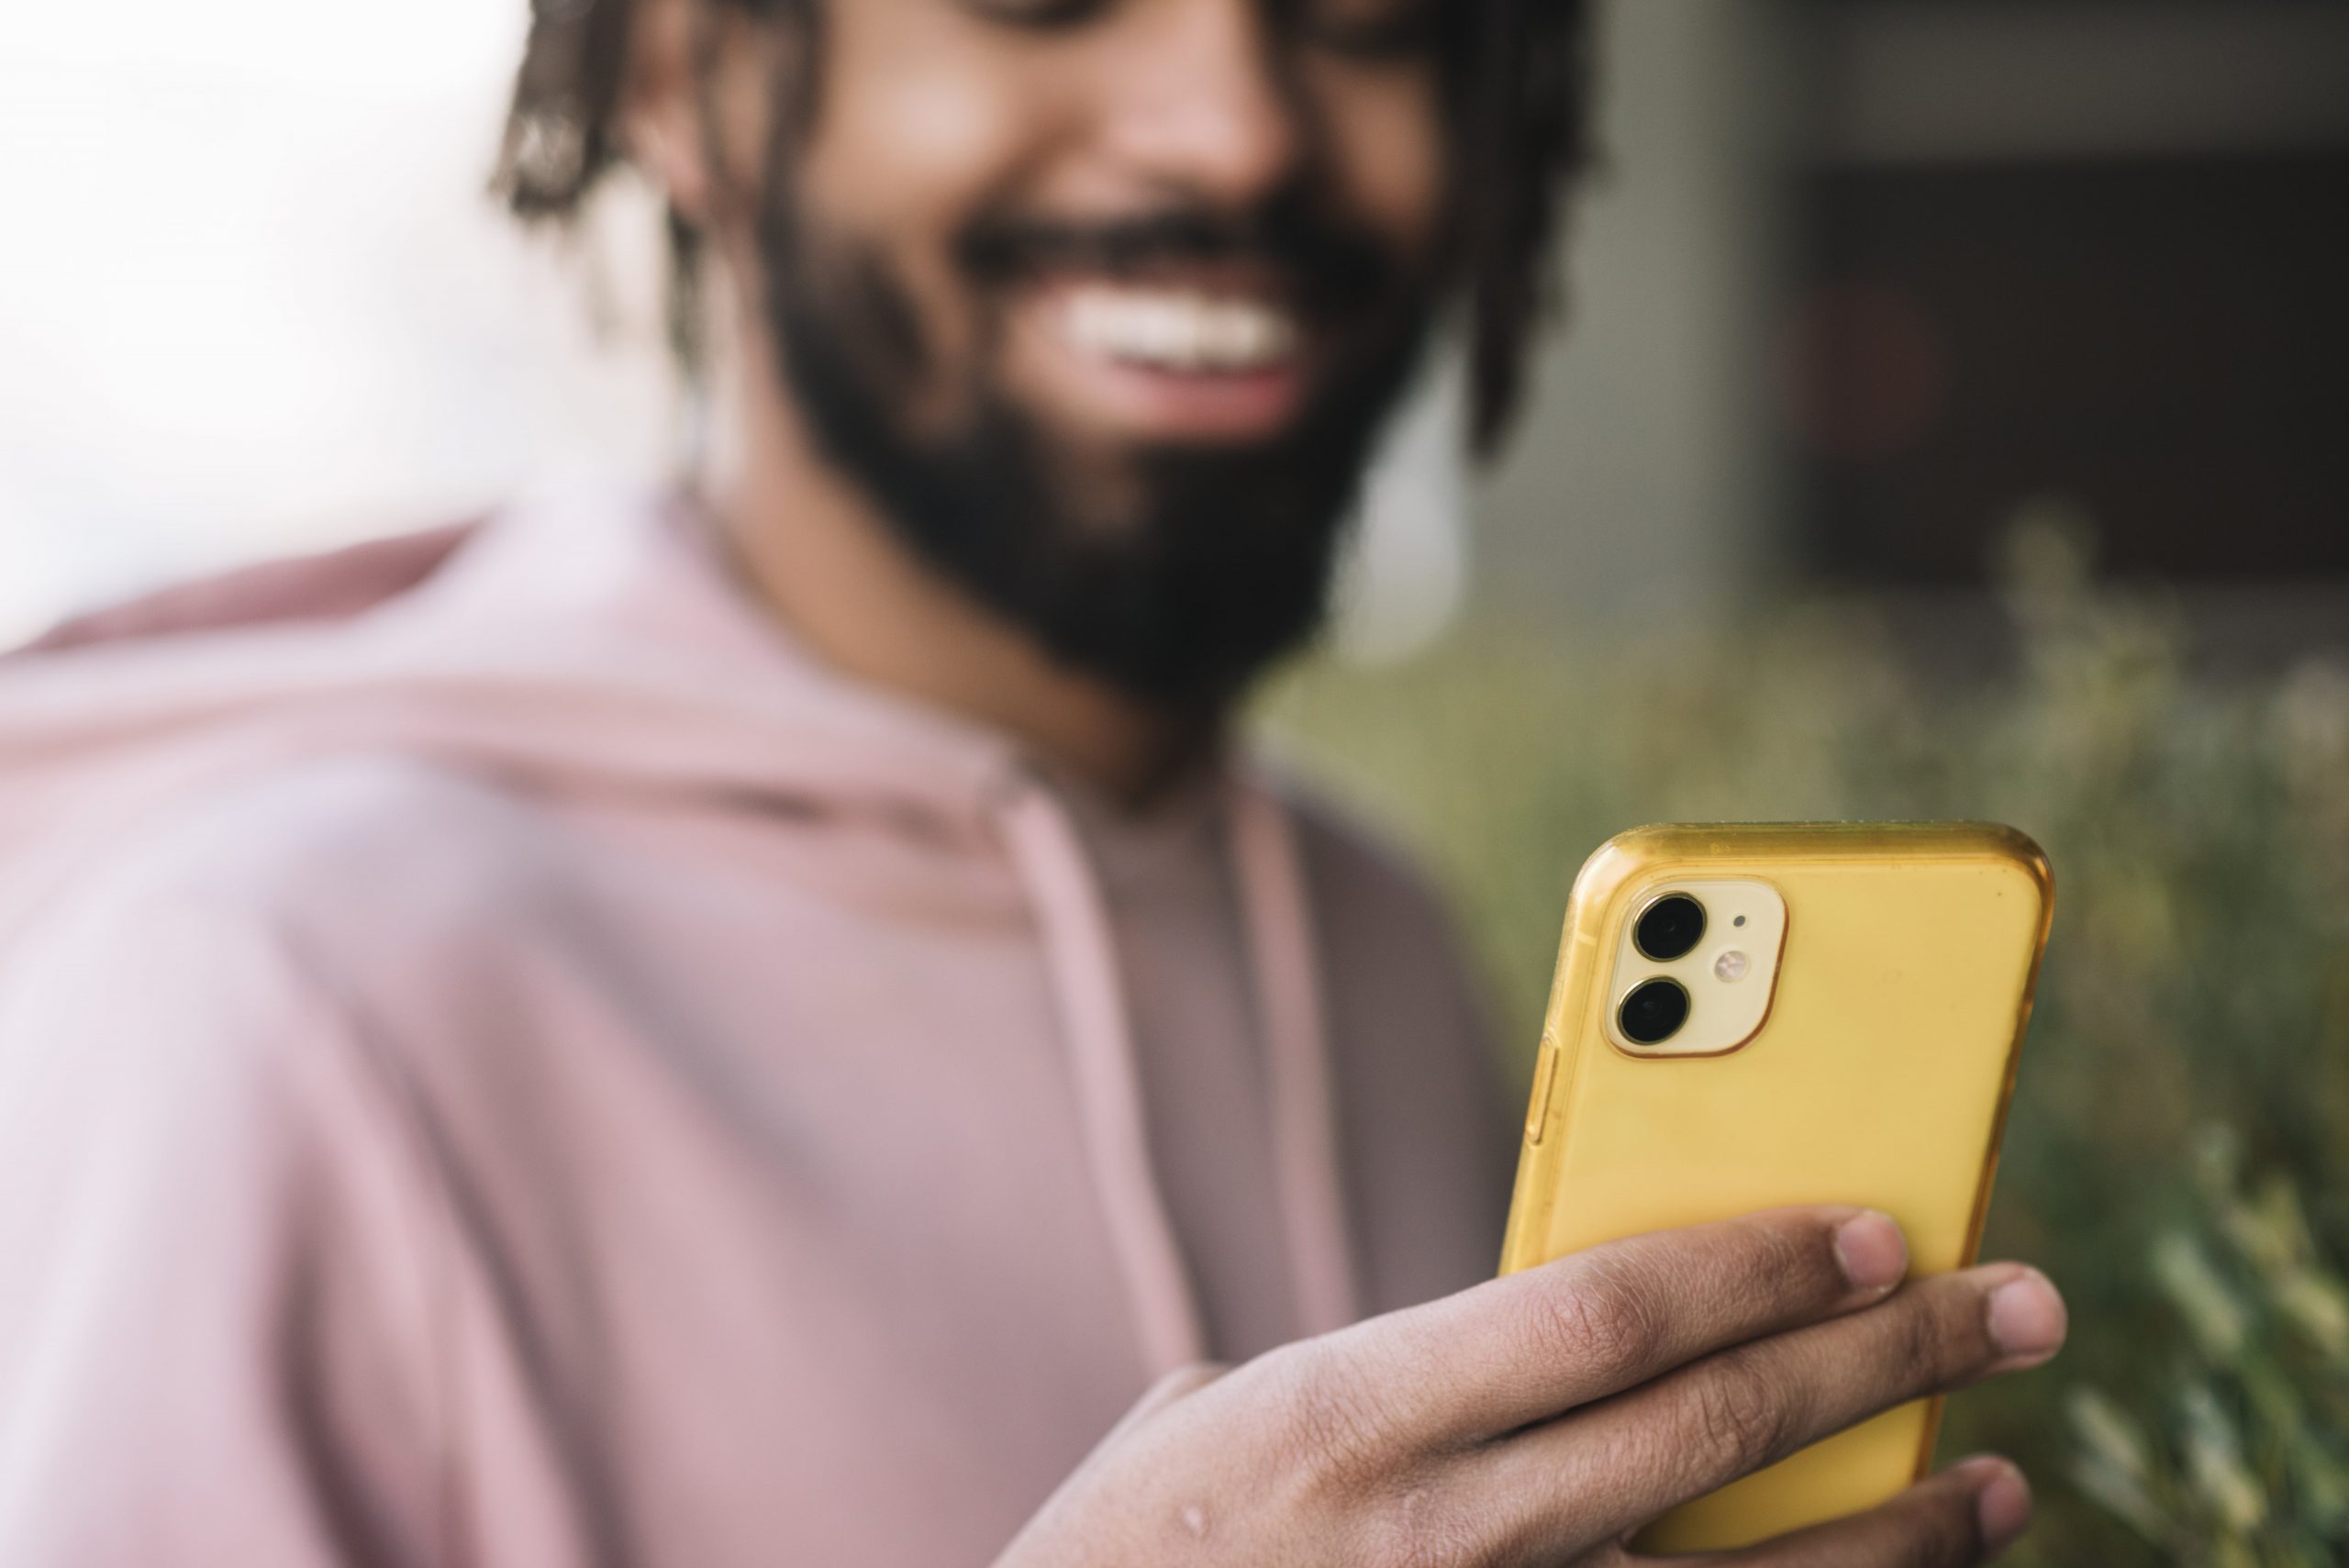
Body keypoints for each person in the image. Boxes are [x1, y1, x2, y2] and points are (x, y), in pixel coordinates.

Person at [0, 1, 2066, 1563]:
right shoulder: (269, 987)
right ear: (679, 74)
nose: (1240, 121)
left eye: (1370, 15)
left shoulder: (1380, 945)